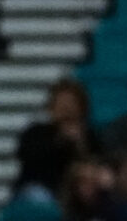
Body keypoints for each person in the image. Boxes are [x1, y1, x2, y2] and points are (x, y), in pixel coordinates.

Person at [13, 76, 93, 205]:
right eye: (61, 104)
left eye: (71, 104)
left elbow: (93, 164)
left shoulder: (90, 135)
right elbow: (29, 158)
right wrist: (60, 139)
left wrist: (79, 144)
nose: (67, 110)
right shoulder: (35, 132)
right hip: (42, 188)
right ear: (51, 107)